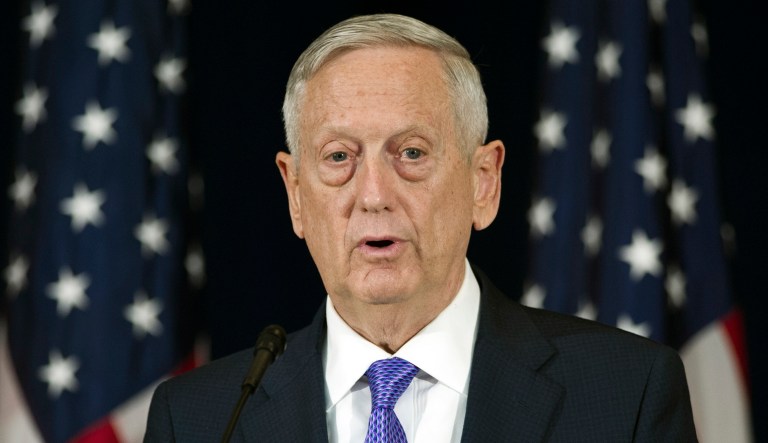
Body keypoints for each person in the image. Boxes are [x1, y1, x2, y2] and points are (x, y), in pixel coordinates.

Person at [144, 13, 697, 442]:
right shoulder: (197, 420)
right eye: (339, 157)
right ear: (295, 194)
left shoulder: (626, 395)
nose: (374, 195)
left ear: (483, 182)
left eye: (410, 153)